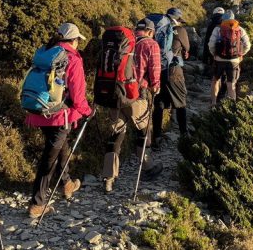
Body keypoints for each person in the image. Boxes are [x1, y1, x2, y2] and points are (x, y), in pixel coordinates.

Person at [27, 22, 92, 218]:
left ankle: (66, 184)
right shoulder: (72, 59)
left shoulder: (45, 53)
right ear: (73, 40)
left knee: (60, 147)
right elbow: (78, 93)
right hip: (60, 115)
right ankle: (37, 204)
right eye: (77, 41)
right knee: (50, 157)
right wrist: (86, 111)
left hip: (39, 109)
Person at [101, 18, 161, 193]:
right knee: (142, 130)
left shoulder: (123, 42)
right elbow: (155, 71)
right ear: (151, 31)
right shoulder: (151, 44)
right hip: (136, 95)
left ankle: (109, 178)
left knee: (116, 134)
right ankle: (148, 167)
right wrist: (154, 87)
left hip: (115, 93)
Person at [152, 7, 190, 147]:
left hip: (158, 69)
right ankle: (184, 134)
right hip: (174, 69)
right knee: (181, 102)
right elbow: (187, 48)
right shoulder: (180, 30)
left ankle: (156, 136)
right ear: (178, 20)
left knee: (159, 104)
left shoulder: (156, 28)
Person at [208, 10, 251, 105]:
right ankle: (231, 107)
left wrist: (214, 54)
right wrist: (240, 54)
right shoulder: (240, 29)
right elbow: (248, 45)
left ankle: (213, 103)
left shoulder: (217, 29)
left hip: (219, 59)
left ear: (223, 19)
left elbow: (211, 44)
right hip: (234, 61)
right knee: (231, 84)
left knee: (215, 80)